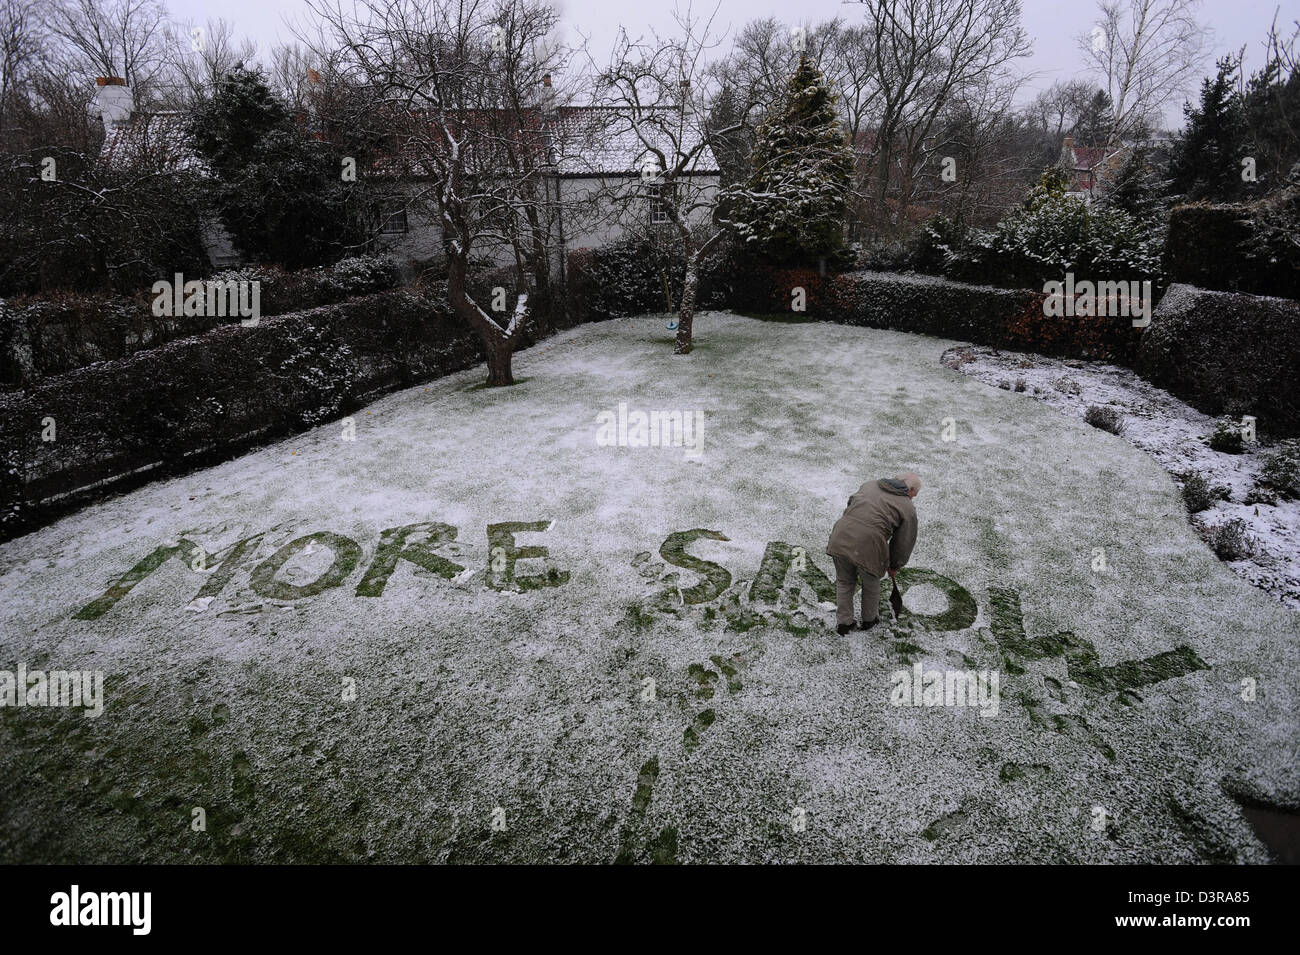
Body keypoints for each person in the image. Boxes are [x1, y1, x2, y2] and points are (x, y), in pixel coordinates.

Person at [825, 472, 920, 635]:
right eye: (913, 494)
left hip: (841, 535)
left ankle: (844, 623)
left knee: (845, 581)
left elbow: (851, 503)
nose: (912, 498)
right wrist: (895, 565)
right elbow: (903, 542)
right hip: (870, 544)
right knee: (871, 584)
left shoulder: (869, 484)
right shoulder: (907, 507)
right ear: (909, 488)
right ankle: (869, 620)